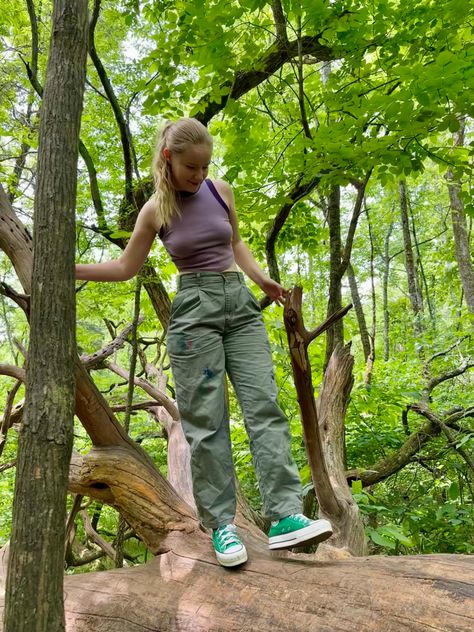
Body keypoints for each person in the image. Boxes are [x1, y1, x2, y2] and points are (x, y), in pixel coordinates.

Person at [76, 117, 333, 567]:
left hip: (240, 305)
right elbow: (124, 268)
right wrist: (67, 267)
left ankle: (286, 516)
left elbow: (236, 244)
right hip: (195, 311)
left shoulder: (220, 191)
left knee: (264, 406)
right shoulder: (156, 210)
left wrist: (262, 280)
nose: (199, 175)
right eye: (192, 167)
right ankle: (222, 527)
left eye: (206, 166)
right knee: (207, 422)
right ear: (168, 159)